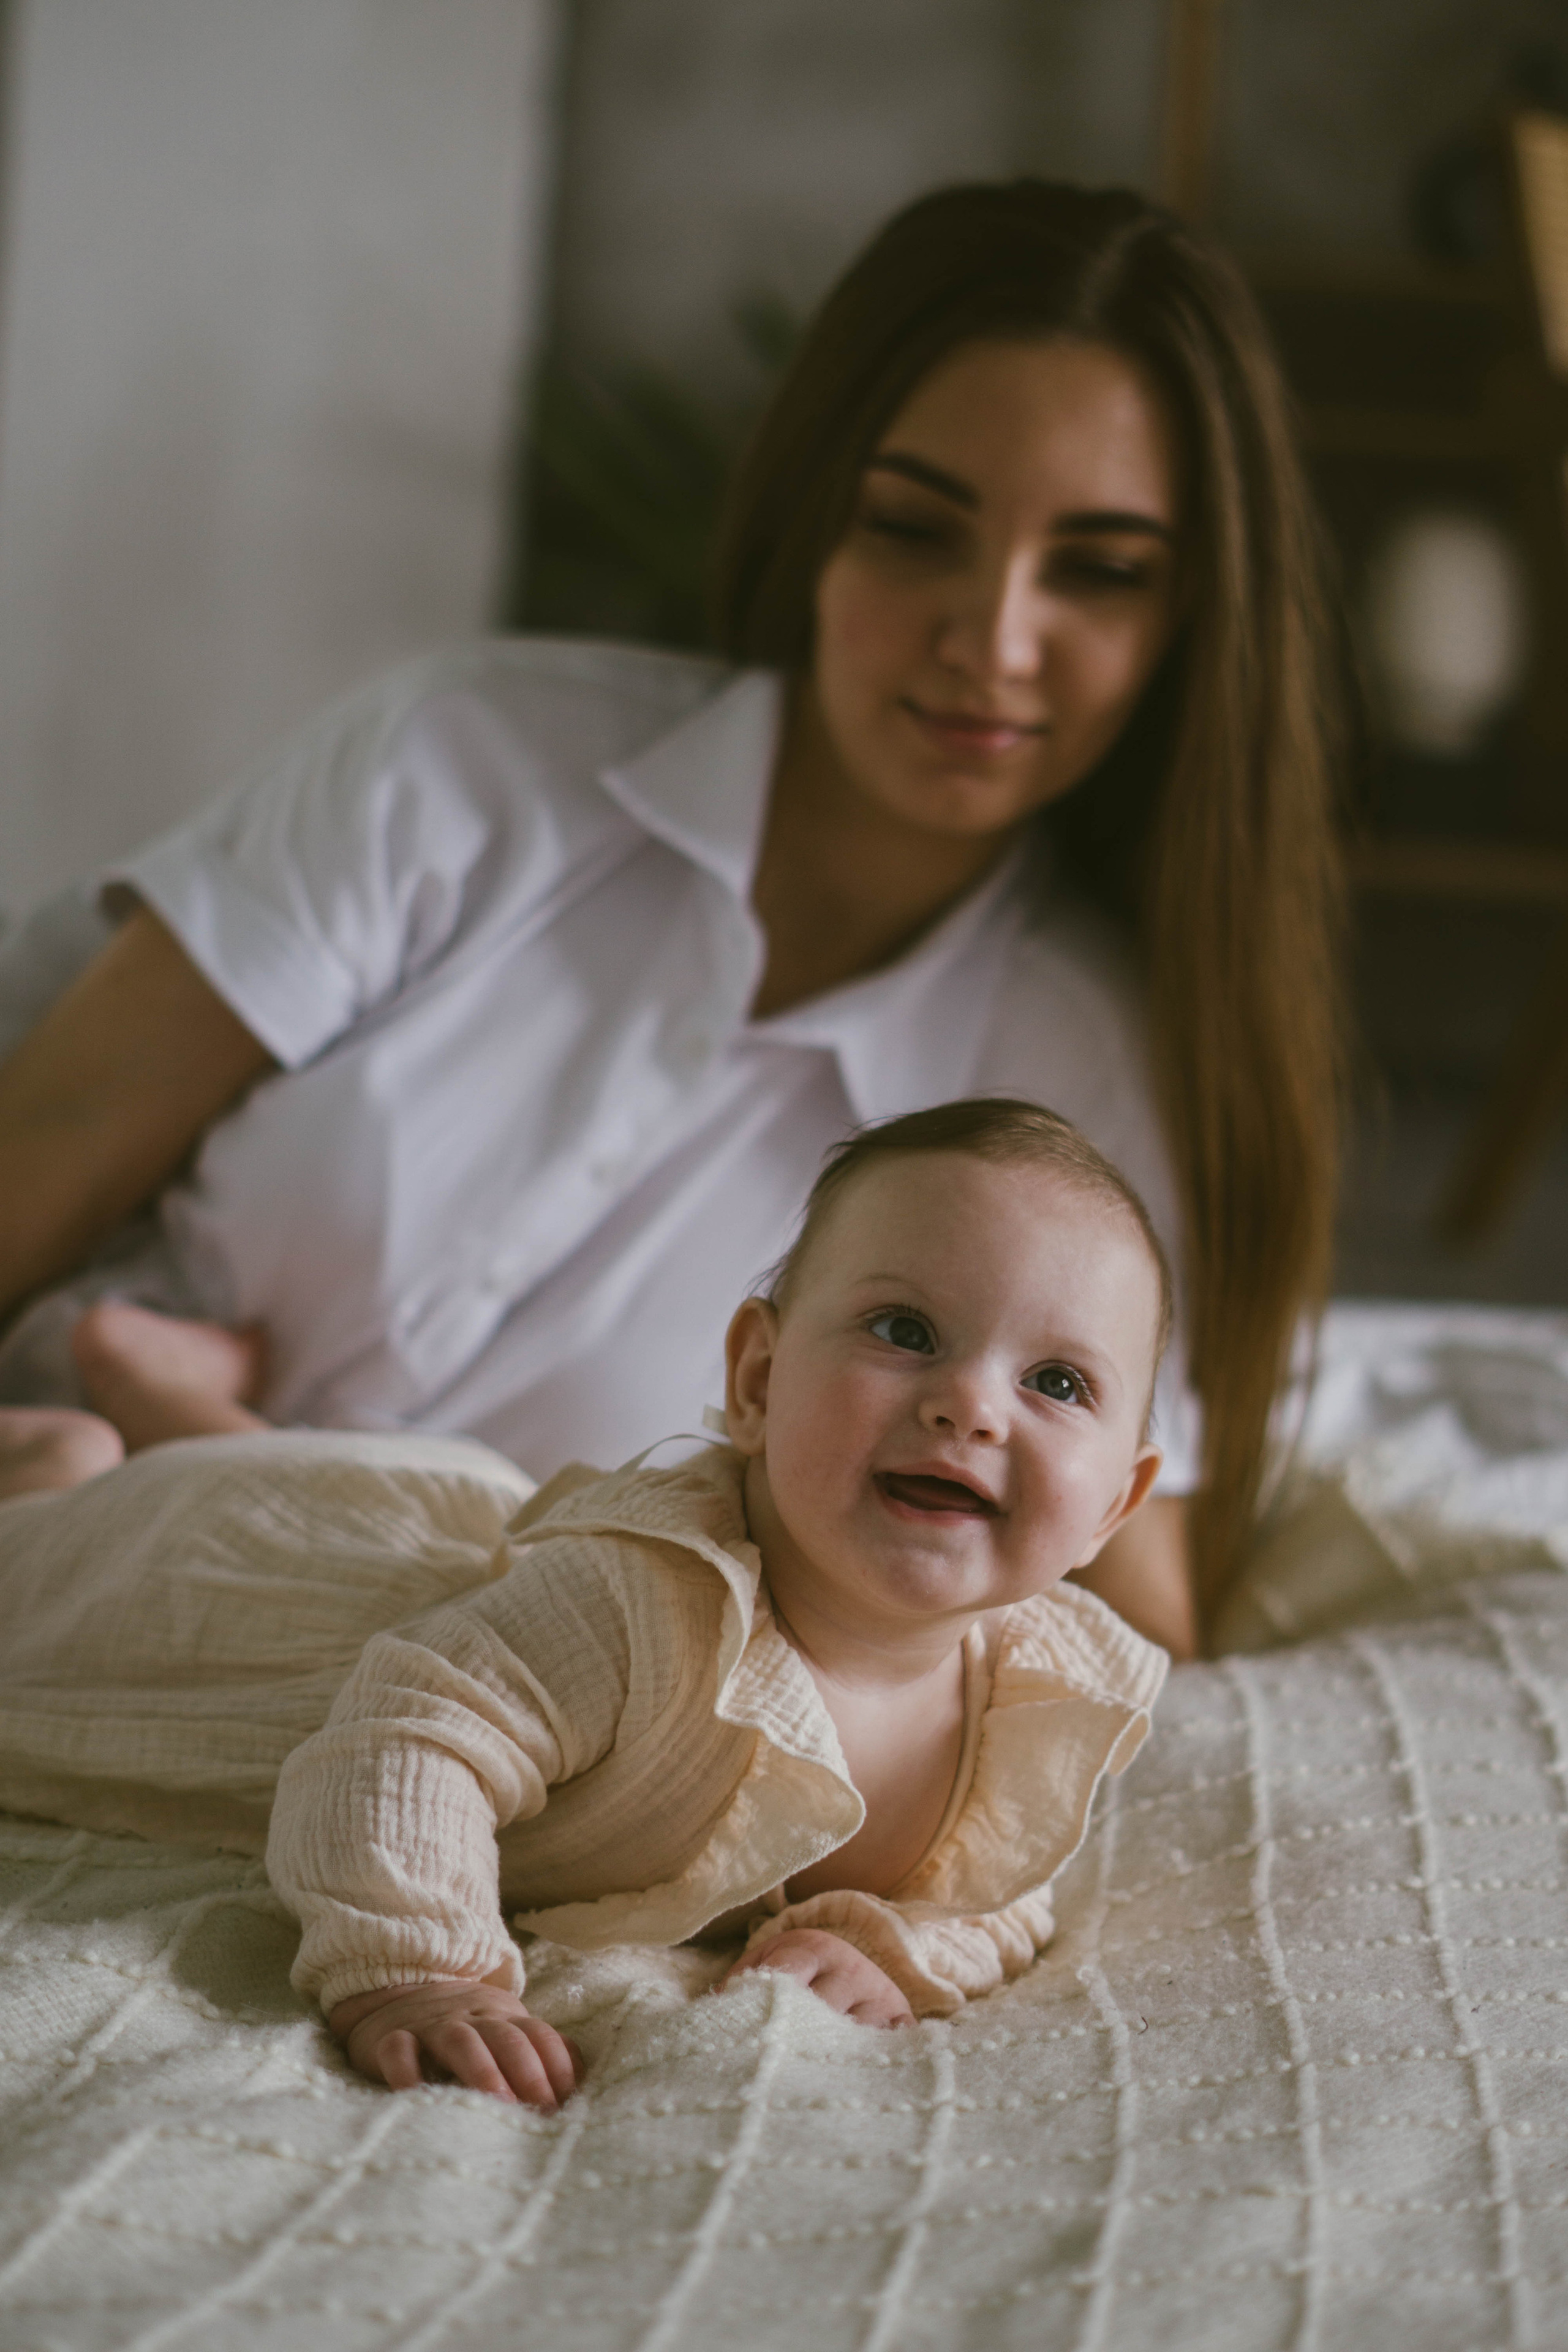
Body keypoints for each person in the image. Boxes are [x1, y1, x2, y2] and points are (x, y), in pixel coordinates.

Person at [0, 179, 1344, 1656]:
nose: (992, 640)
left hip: (515, 1673)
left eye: (1097, 572)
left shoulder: (1082, 1073)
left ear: (1186, 620)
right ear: (816, 514)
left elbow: (1136, 1621)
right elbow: (50, 1147)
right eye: (913, 529)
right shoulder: (465, 762)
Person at [0, 1100, 1169, 2108]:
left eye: (1057, 1382)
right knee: (63, 1579)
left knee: (289, 1482)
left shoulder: (1035, 1701)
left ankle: (139, 1402)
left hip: (466, 1532)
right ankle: (58, 1460)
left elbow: (1004, 1893)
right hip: (299, 1593)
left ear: (1115, 1505)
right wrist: (422, 1969)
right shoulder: (643, 1609)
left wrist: (888, 1948)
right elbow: (404, 1744)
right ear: (759, 1380)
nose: (971, 1405)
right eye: (904, 1331)